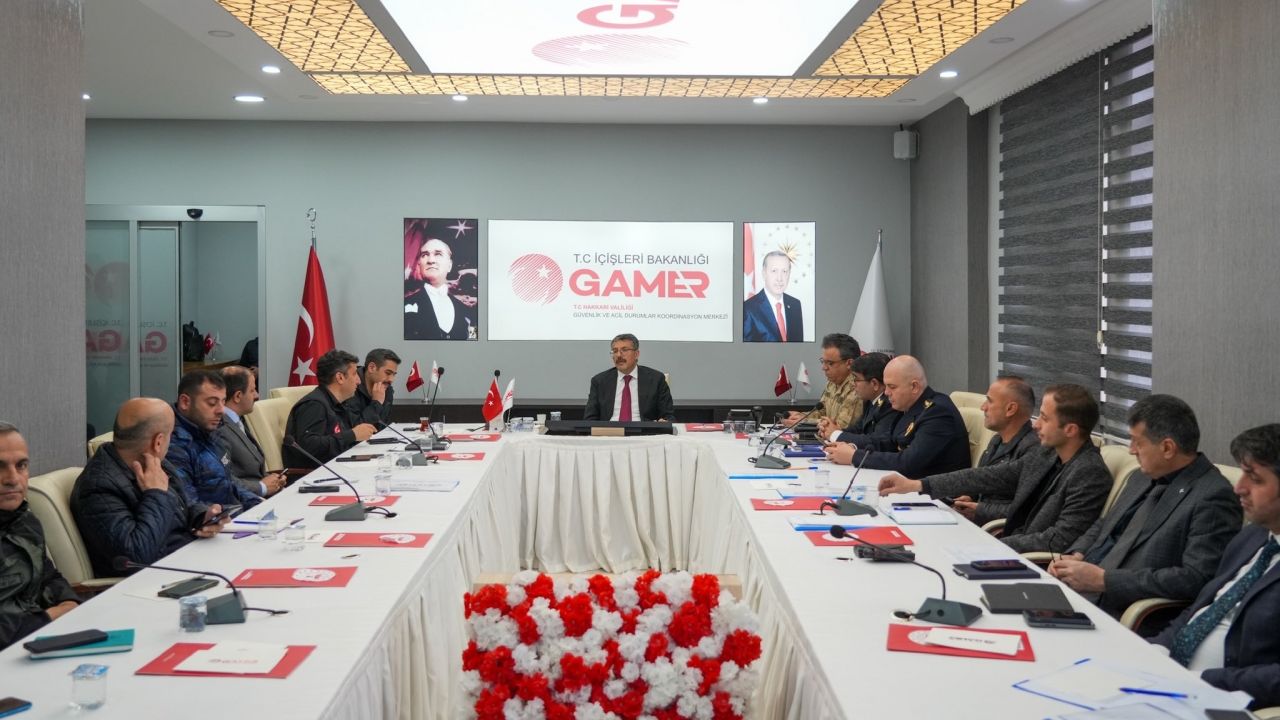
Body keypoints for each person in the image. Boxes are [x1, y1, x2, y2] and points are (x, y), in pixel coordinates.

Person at [1050, 394, 1240, 620]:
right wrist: (1075, 555)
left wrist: (1104, 580)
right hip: (1078, 593)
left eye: (1136, 442)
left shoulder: (1213, 496)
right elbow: (1105, 524)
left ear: (1167, 448)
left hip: (1122, 613)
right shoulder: (1140, 476)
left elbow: (1195, 578)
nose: (1131, 450)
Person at [878, 383, 1111, 553]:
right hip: (1007, 544)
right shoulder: (1046, 454)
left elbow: (1057, 540)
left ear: (1070, 430)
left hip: (1030, 561)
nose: (1036, 424)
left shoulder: (1088, 473)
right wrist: (917, 485)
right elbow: (987, 477)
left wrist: (986, 545)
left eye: (1045, 418)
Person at [1150, 424, 1280, 708]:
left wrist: (1203, 681)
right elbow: (1202, 609)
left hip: (1224, 701)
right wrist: (1158, 649)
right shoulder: (1252, 536)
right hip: (1169, 683)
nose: (1239, 488)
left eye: (1255, 478)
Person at [71, 398, 230, 578]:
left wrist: (201, 517)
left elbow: (182, 506)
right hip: (157, 581)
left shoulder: (154, 463)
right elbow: (136, 555)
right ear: (158, 442)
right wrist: (156, 494)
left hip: (187, 559)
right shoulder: (98, 487)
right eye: (171, 434)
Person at [0, 422, 80, 650]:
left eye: (21, 465)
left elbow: (47, 575)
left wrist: (70, 602)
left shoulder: (24, 520)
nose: (13, 478)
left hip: (38, 640)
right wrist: (50, 617)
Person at [822, 355, 969, 477]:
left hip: (936, 497)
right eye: (886, 386)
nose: (886, 393)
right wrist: (850, 448)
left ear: (914, 386)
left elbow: (908, 463)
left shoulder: (937, 412)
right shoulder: (910, 407)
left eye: (892, 387)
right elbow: (887, 443)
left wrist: (855, 457)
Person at [166, 370, 261, 510]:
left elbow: (227, 484)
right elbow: (187, 505)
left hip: (229, 513)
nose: (221, 410)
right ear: (185, 402)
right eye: (212, 403)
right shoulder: (172, 443)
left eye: (223, 402)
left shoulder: (214, 431)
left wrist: (257, 502)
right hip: (212, 519)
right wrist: (227, 513)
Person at [955, 376, 1042, 525]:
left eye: (989, 401)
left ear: (1010, 409)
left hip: (999, 532)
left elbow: (1028, 511)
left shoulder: (1033, 450)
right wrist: (971, 498)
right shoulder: (997, 440)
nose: (983, 407)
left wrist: (981, 510)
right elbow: (983, 482)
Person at [283, 349, 377, 468]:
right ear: (340, 377)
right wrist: (352, 435)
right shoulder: (314, 405)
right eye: (354, 374)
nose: (358, 381)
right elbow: (309, 446)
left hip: (338, 465)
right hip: (316, 473)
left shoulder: (339, 403)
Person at [215, 366, 285, 497]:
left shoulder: (238, 420)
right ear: (238, 396)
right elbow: (224, 480)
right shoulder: (218, 427)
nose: (257, 396)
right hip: (245, 501)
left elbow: (254, 468)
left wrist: (273, 480)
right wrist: (262, 487)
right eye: (252, 390)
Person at [583, 334, 675, 422]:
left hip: (643, 430)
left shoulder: (656, 379)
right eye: (615, 351)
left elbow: (668, 416)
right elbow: (589, 419)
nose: (619, 355)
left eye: (624, 350)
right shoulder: (599, 381)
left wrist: (665, 422)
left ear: (636, 354)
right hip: (610, 430)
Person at [404, 237, 476, 340]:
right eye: (425, 255)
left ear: (449, 265)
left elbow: (474, 342)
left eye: (438, 254)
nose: (431, 260)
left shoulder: (467, 312)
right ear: (419, 265)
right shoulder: (404, 306)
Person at [785, 333, 862, 429]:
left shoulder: (857, 388)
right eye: (823, 361)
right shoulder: (832, 382)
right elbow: (821, 412)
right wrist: (801, 416)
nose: (824, 368)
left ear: (849, 363)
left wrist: (804, 421)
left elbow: (840, 427)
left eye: (830, 363)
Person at [820, 352, 900, 442]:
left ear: (874, 384)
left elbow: (877, 441)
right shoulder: (870, 401)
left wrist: (835, 435)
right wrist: (833, 430)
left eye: (856, 379)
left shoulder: (889, 405)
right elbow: (858, 429)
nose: (853, 384)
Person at [742, 251, 803, 342]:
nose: (779, 278)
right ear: (764, 273)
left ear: (789, 274)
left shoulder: (795, 304)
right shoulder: (748, 309)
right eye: (774, 271)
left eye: (784, 271)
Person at [345, 348, 399, 426]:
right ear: (371, 368)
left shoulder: (387, 390)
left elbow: (382, 426)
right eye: (388, 373)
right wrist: (376, 403)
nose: (391, 379)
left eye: (394, 374)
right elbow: (356, 428)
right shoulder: (350, 386)